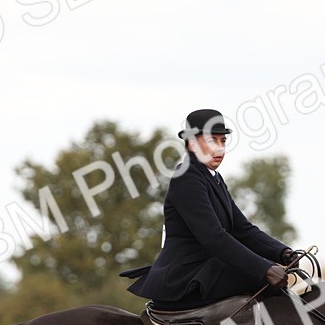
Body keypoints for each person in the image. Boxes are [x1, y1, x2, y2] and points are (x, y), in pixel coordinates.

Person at [123, 109, 295, 310]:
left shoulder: (214, 179)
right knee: (265, 282)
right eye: (212, 141)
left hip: (208, 271)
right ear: (191, 143)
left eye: (223, 141)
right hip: (184, 279)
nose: (220, 149)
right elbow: (214, 237)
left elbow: (243, 230)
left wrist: (283, 252)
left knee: (271, 283)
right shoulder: (186, 177)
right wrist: (265, 269)